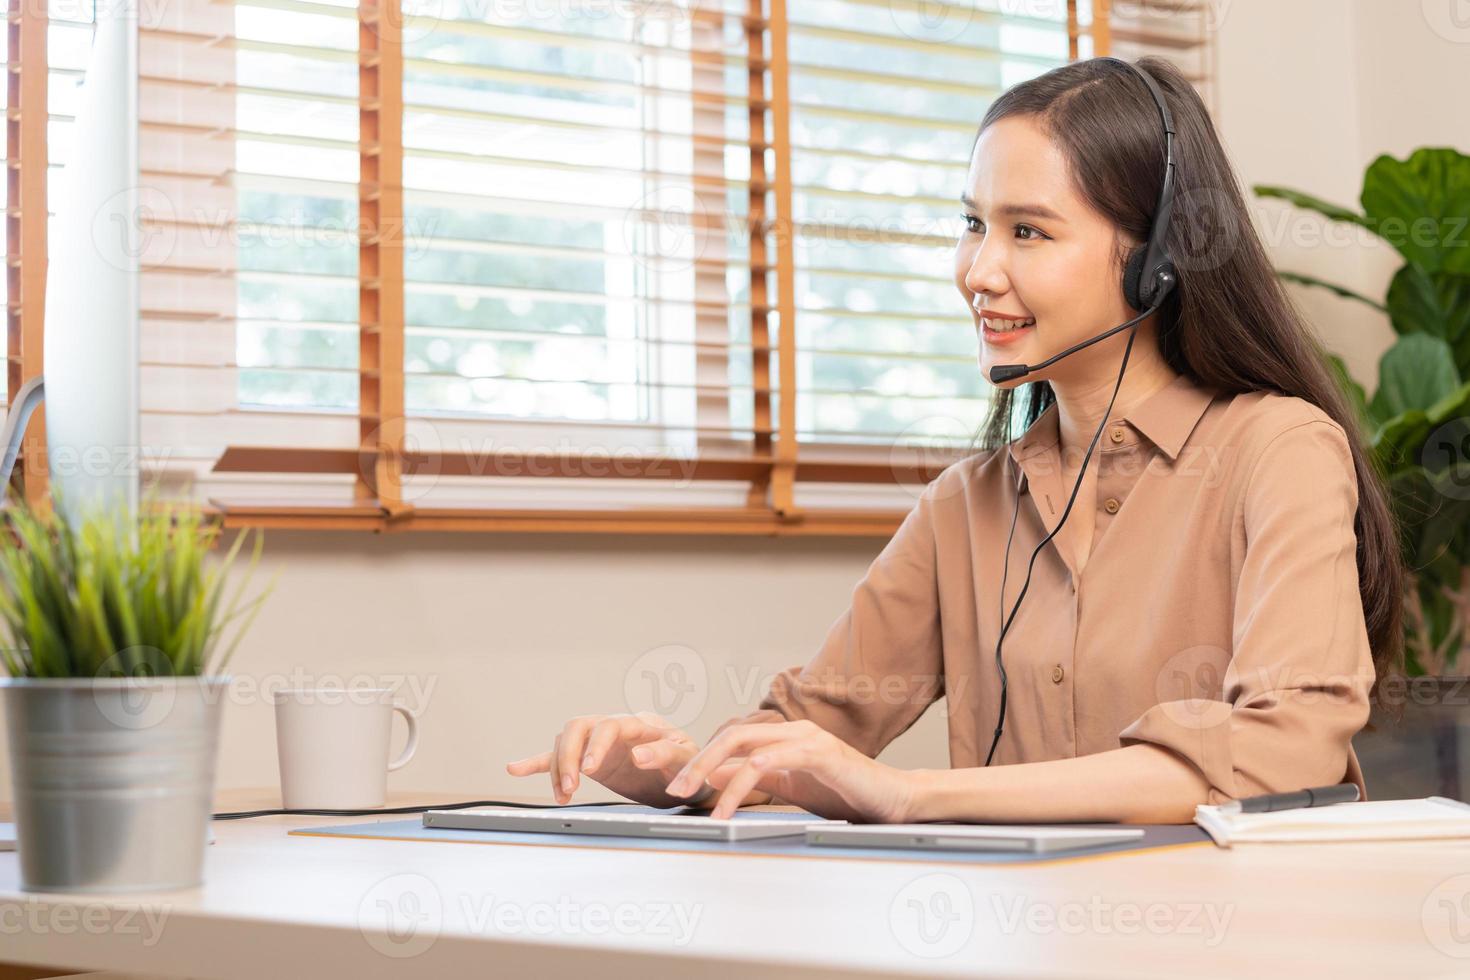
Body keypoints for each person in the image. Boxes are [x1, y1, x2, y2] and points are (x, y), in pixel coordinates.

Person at [506, 56, 1404, 825]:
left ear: (1155, 257)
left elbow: (1287, 749)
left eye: (1028, 231)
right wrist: (668, 775)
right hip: (1010, 936)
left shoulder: (1277, 452)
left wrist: (911, 795)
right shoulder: (964, 506)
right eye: (973, 224)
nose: (979, 271)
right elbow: (815, 738)